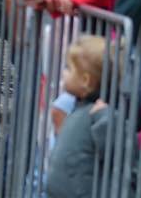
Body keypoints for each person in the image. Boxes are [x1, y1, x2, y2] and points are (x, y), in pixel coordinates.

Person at [46, 36, 113, 198]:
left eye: (69, 68)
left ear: (85, 80)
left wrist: (104, 117)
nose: (64, 72)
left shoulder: (98, 114)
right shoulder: (78, 108)